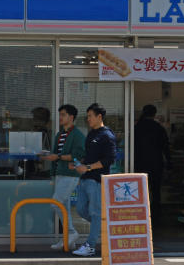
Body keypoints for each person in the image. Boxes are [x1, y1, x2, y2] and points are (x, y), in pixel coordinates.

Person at [69, 103, 117, 257]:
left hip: (97, 180)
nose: (88, 119)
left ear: (99, 117)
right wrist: (79, 164)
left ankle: (90, 245)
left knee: (95, 213)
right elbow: (89, 157)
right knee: (82, 210)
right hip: (85, 178)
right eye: (87, 116)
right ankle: (106, 228)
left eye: (90, 116)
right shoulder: (91, 134)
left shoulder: (107, 136)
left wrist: (88, 168)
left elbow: (109, 159)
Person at [39, 104, 85, 250]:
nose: (60, 117)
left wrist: (57, 157)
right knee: (62, 205)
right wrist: (49, 156)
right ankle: (68, 239)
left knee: (56, 203)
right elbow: (57, 155)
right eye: (60, 114)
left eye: (63, 114)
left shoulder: (77, 135)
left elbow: (79, 156)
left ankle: (71, 232)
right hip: (59, 173)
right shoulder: (59, 134)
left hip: (70, 174)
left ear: (71, 117)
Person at [134, 104, 170, 223]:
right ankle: (155, 218)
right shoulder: (158, 128)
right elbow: (166, 147)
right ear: (154, 114)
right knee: (155, 191)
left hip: (139, 164)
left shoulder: (137, 127)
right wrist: (169, 162)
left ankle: (140, 216)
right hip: (156, 164)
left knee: (140, 191)